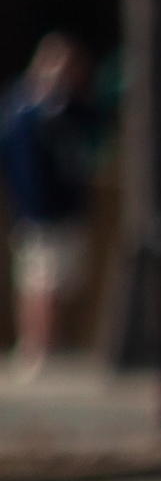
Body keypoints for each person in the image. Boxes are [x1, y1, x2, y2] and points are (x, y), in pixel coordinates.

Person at [2, 36, 87, 378]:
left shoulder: (68, 109)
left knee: (56, 281)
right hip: (36, 210)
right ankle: (36, 347)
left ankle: (49, 344)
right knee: (39, 281)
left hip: (62, 208)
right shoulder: (24, 110)